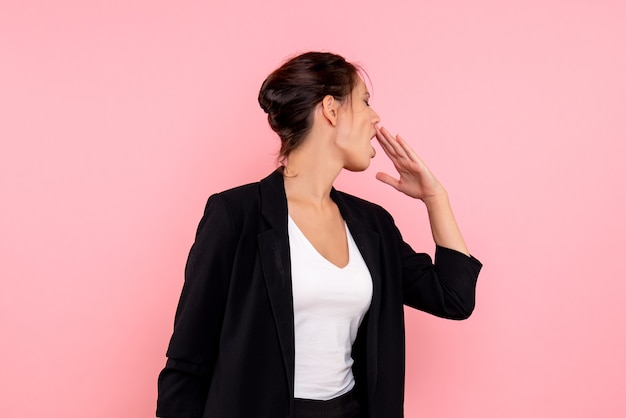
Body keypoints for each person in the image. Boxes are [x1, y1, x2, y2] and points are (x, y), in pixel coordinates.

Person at [156, 51, 482, 418]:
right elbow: (188, 360)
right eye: (365, 102)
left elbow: (454, 297)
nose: (375, 118)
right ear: (330, 109)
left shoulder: (372, 224)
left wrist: (435, 198)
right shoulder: (236, 215)